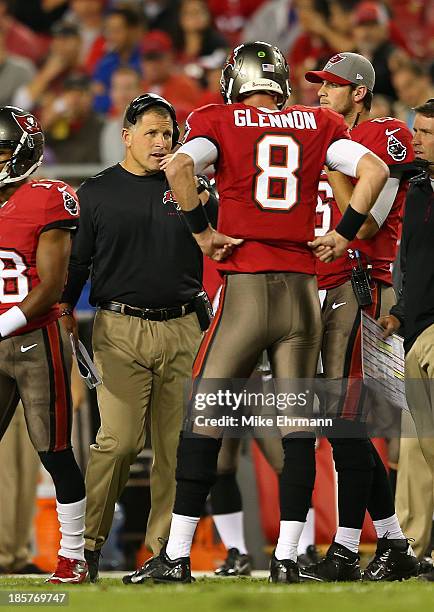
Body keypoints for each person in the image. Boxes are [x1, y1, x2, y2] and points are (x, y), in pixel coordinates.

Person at [123, 41, 389, 585]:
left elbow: (177, 169)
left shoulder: (217, 118)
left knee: (204, 419)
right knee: (298, 433)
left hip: (244, 293)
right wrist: (342, 233)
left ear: (235, 80)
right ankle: (288, 559)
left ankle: (175, 555)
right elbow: (374, 171)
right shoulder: (316, 120)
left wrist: (203, 234)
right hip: (302, 296)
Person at [60, 93, 218, 583]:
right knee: (119, 441)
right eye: (150, 132)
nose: (161, 142)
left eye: (168, 133)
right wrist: (64, 307)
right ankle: (85, 549)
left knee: (175, 448)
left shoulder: (192, 188)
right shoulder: (97, 191)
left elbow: (218, 240)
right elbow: (78, 263)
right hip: (119, 329)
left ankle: (164, 555)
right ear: (126, 136)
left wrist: (204, 200)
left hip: (184, 326)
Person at [298, 52, 419, 582]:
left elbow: (366, 225)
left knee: (349, 419)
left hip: (371, 289)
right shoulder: (332, 137)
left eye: (333, 86)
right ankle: (389, 541)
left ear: (360, 92)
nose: (322, 93)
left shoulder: (383, 135)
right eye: (320, 85)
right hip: (338, 286)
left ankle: (351, 547)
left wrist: (329, 165)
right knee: (342, 422)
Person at [0, 106, 87, 584]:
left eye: (0, 153)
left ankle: (72, 554)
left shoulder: (48, 199)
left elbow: (52, 287)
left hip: (35, 339)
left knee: (53, 450)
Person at [379, 98, 434, 580]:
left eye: (426, 134)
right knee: (416, 442)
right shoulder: (416, 189)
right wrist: (399, 311)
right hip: (416, 327)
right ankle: (413, 548)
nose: (416, 140)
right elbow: (411, 264)